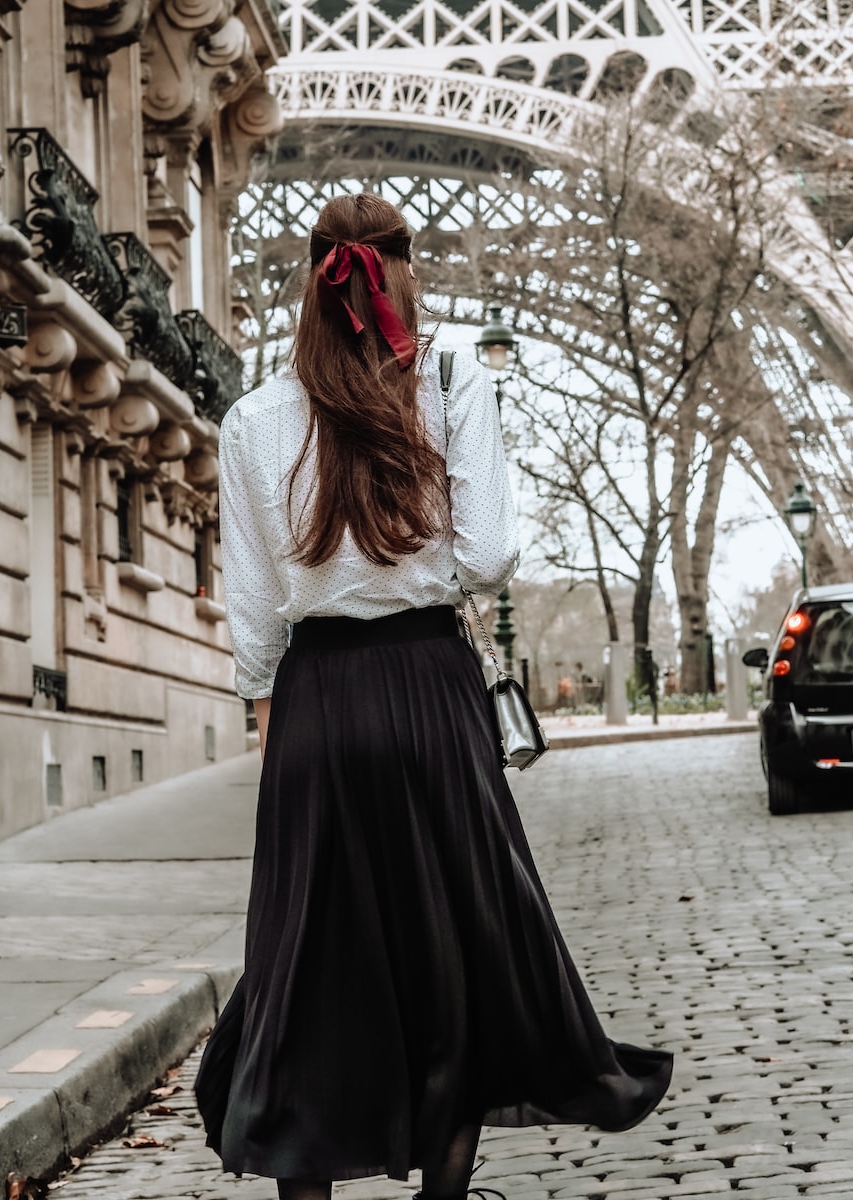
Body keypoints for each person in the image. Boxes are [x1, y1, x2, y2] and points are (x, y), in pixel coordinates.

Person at [194, 192, 673, 1200]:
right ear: (403, 273)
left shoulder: (251, 419)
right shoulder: (451, 378)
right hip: (429, 687)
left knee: (311, 964)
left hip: (317, 698)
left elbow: (251, 616)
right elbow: (491, 556)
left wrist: (274, 719)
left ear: (312, 279)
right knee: (458, 947)